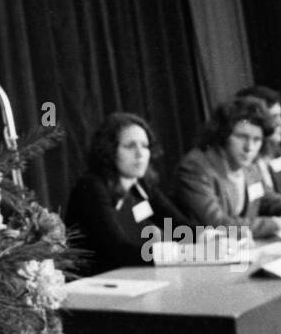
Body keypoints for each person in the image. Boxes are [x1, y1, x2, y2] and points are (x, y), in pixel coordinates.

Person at [170, 97, 281, 239]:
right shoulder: (195, 167)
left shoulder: (249, 167)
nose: (249, 147)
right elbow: (217, 223)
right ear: (223, 135)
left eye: (257, 140)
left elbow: (268, 200)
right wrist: (278, 224)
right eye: (242, 137)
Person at [65, 113, 192, 275]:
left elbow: (180, 227)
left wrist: (213, 239)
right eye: (130, 146)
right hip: (93, 284)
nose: (140, 154)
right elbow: (117, 250)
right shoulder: (91, 187)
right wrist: (171, 254)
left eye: (145, 146)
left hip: (128, 279)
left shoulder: (141, 186)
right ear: (109, 151)